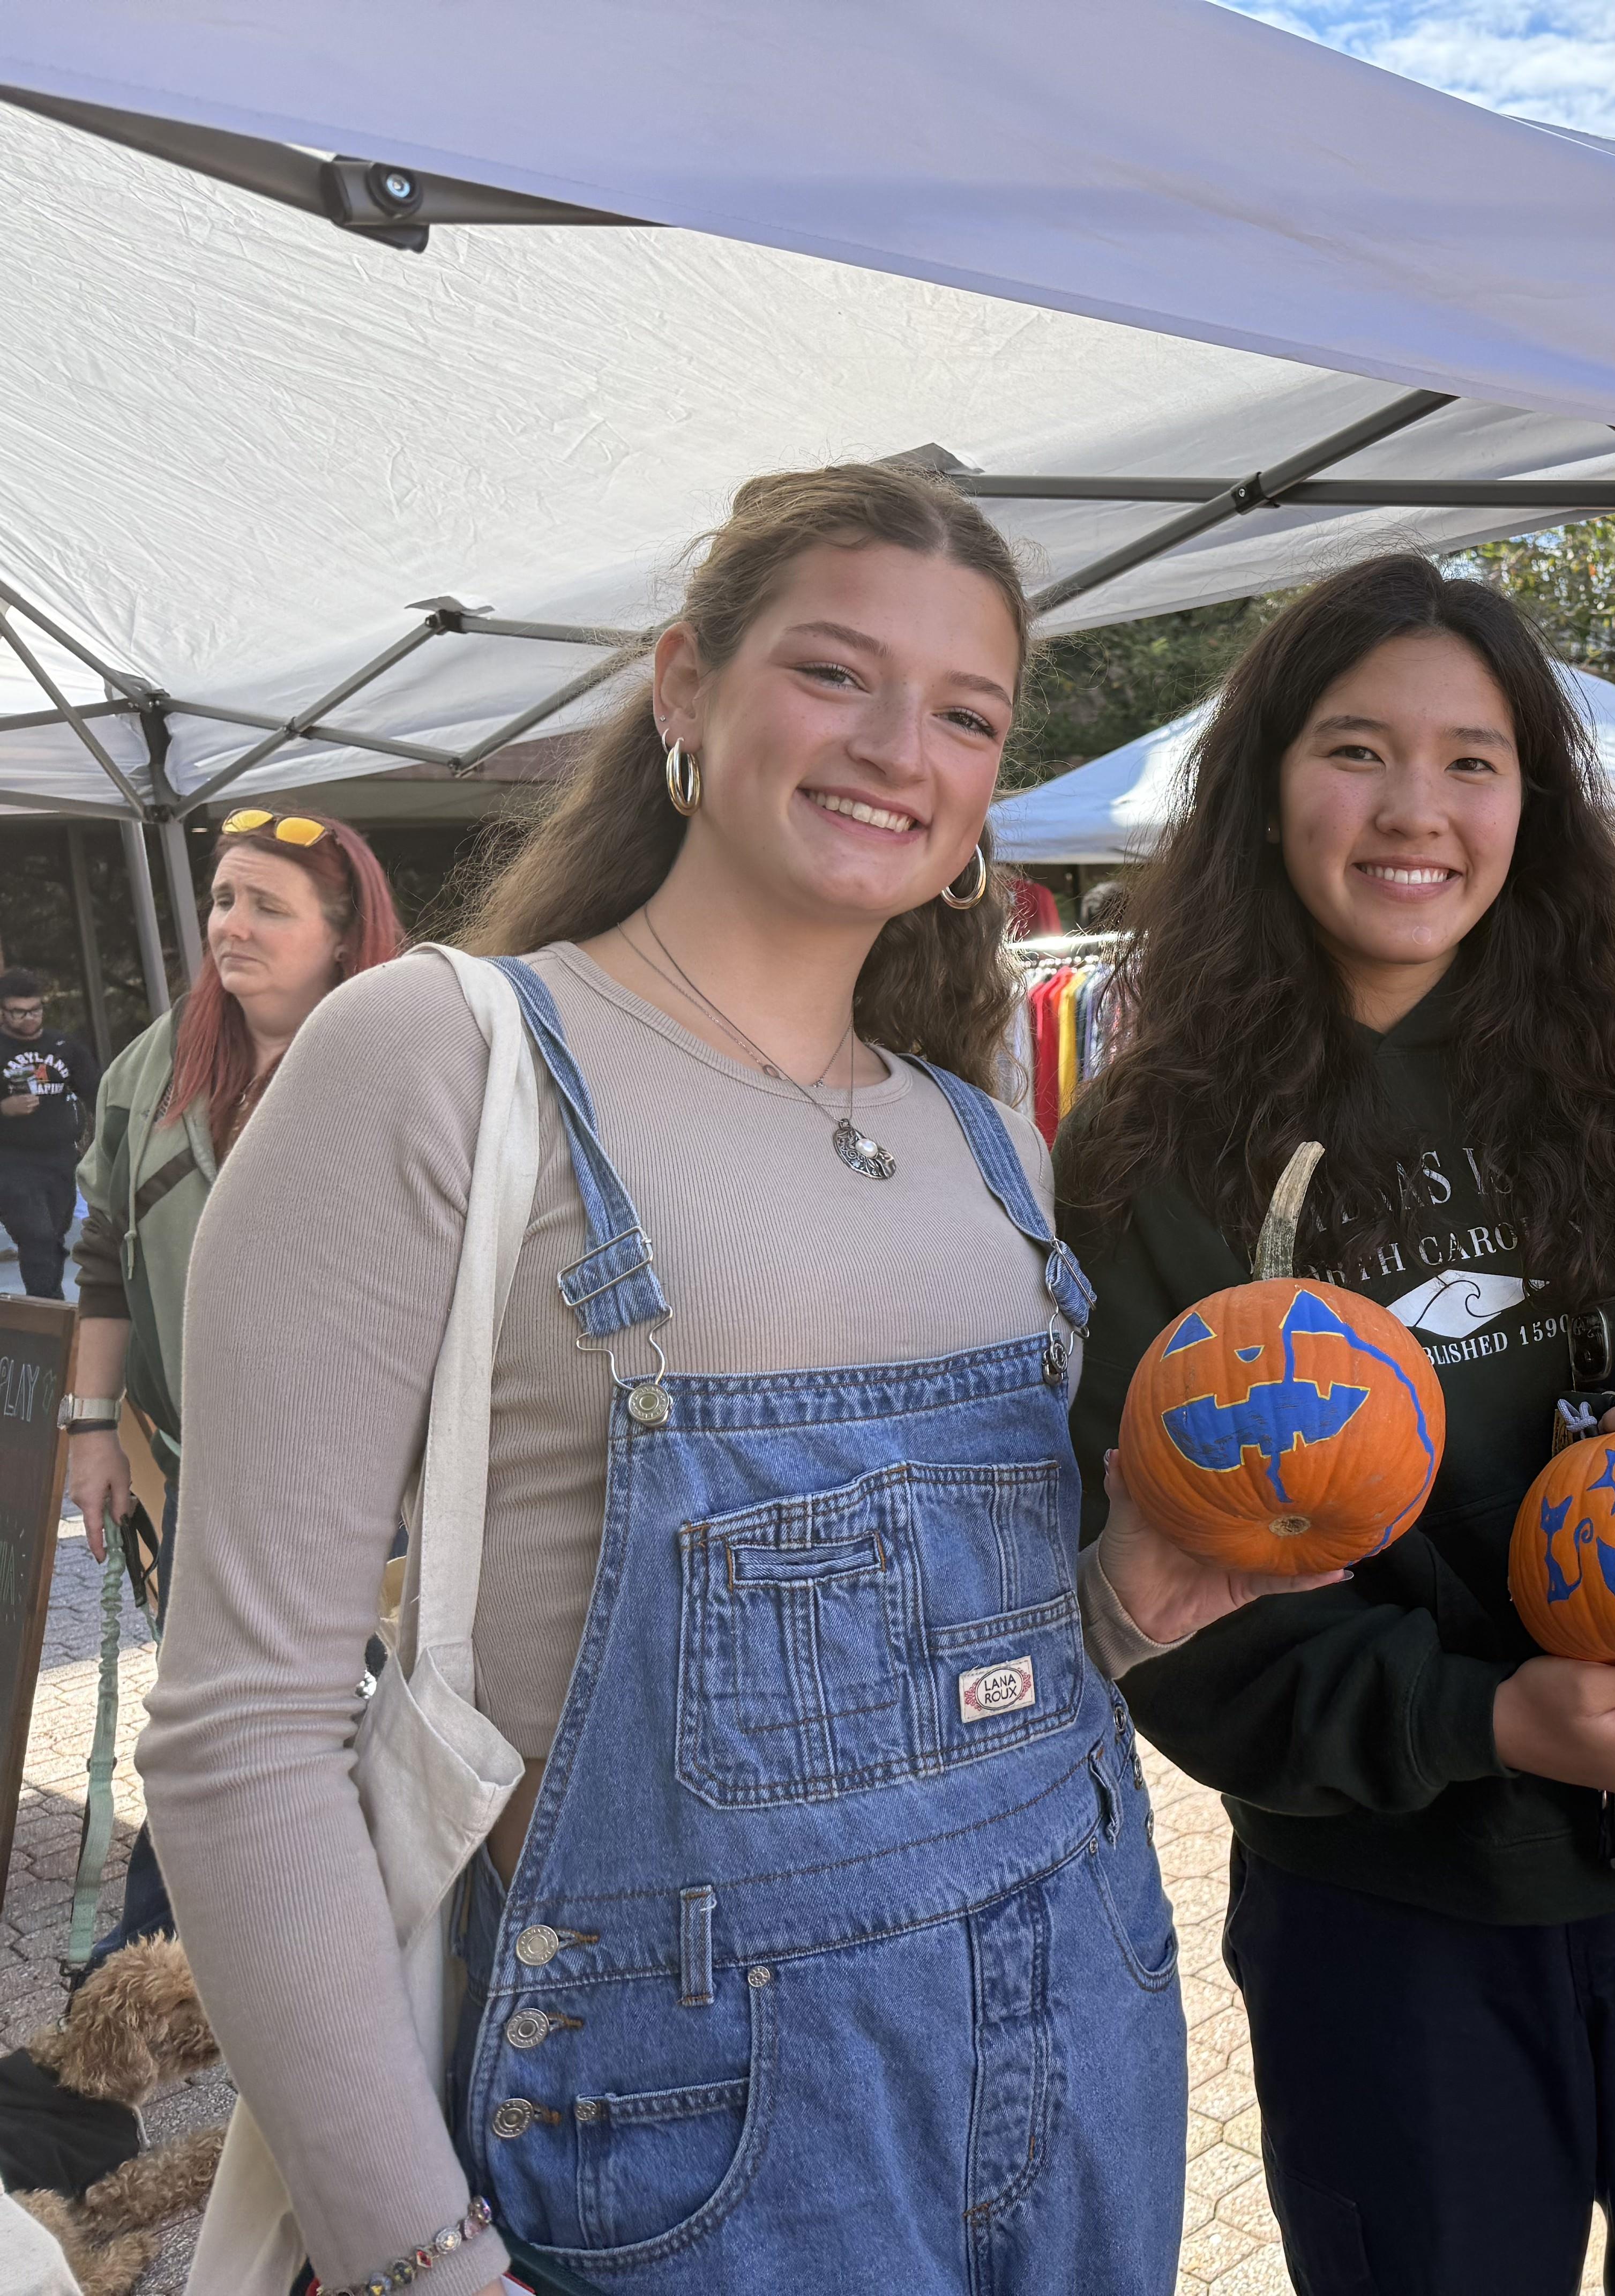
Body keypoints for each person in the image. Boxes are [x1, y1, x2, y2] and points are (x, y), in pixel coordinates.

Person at [143, 465, 1315, 2296]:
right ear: (687, 691)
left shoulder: (983, 1138)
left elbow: (955, 1684)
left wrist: (1126, 1604)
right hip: (686, 2145)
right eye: (835, 673)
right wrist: (417, 2253)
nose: (897, 747)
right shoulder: (450, 1057)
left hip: (1086, 2045)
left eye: (965, 713)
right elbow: (238, 1732)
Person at [1058, 555, 1615, 2296]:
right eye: (1357, 750)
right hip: (1397, 1908)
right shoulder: (1153, 1158)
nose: (1414, 808)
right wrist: (1489, 1715)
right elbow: (1172, 1594)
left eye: (1473, 760)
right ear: (1268, 783)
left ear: (1531, 800)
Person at [62, 808, 402, 1976]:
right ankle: (155, 1959)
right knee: (218, 1713)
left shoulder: (403, 1062)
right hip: (195, 1468)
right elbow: (101, 1257)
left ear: (342, 932)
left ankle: (226, 1958)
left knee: (326, 1713)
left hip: (370, 1480)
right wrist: (92, 1426)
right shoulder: (153, 1065)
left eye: (268, 907)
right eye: (223, 899)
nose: (232, 927)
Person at [0, 970, 94, 1302]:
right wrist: (4, 1109)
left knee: (55, 1235)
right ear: (3, 1012)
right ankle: (49, 1306)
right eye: (20, 1012)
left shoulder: (63, 1046)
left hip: (60, 1156)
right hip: (11, 1161)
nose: (30, 1018)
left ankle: (48, 1306)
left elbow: (97, 1090)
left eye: (36, 1010)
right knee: (36, 1235)